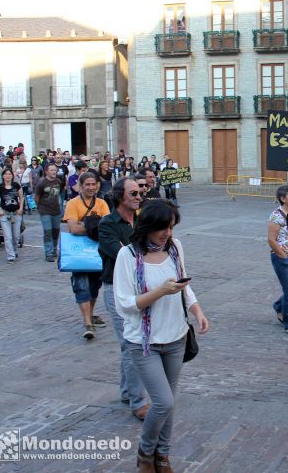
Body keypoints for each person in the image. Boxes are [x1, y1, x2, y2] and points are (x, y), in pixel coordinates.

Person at [114, 199, 209, 472]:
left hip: (176, 336)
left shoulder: (176, 248)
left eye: (171, 227)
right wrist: (159, 292)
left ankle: (163, 456)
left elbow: (183, 283)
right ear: (147, 227)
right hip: (144, 342)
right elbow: (125, 304)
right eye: (163, 228)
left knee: (169, 402)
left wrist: (197, 310)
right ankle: (145, 453)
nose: (168, 233)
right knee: (163, 401)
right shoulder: (128, 256)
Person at [98, 176, 151, 420]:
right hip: (117, 289)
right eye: (133, 193)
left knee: (128, 344)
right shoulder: (108, 223)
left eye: (140, 192)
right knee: (133, 344)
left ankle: (128, 392)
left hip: (141, 287)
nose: (139, 196)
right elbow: (121, 255)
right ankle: (138, 401)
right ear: (120, 196)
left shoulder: (141, 221)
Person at [63, 172, 110, 339]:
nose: (91, 187)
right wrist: (93, 227)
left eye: (93, 184)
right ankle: (87, 323)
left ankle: (90, 314)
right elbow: (73, 229)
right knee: (81, 285)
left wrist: (84, 225)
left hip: (97, 252)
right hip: (78, 252)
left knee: (94, 286)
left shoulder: (102, 203)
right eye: (87, 184)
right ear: (81, 186)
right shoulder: (73, 203)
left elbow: (106, 228)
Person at [268, 185, 288, 336]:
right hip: (282, 257)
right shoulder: (276, 215)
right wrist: (282, 254)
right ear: (283, 199)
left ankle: (278, 305)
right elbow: (271, 240)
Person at [34, 163, 64, 262]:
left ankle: (54, 249)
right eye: (51, 170)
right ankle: (49, 252)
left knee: (56, 231)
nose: (54, 172)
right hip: (45, 210)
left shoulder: (58, 182)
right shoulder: (41, 183)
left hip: (56, 210)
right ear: (46, 171)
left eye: (55, 170)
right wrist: (40, 207)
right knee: (47, 231)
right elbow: (37, 197)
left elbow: (60, 194)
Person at [0, 168, 23, 262]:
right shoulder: (0, 187)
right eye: (6, 174)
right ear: (3, 176)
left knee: (16, 235)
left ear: (12, 176)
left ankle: (14, 250)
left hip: (16, 213)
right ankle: (10, 255)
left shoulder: (16, 185)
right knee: (8, 236)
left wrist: (21, 208)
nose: (8, 176)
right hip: (5, 214)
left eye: (9, 174)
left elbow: (21, 197)